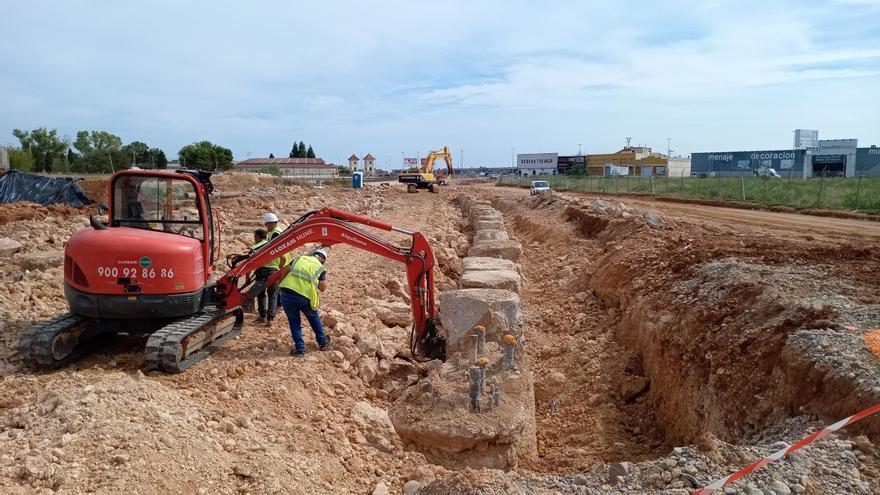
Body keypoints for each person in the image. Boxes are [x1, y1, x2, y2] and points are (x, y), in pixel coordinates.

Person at [279, 247, 330, 356]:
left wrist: (282, 285)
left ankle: (300, 349)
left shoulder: (299, 258)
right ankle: (323, 342)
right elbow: (323, 287)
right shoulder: (320, 267)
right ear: (323, 260)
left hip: (287, 293)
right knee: (313, 317)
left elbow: (284, 271)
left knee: (294, 321)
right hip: (304, 297)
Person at [249, 228, 281, 325]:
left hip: (261, 272)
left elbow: (249, 263)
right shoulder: (273, 245)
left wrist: (247, 278)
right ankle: (270, 319)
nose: (254, 238)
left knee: (261, 294)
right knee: (273, 295)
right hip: (274, 271)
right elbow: (283, 258)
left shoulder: (254, 248)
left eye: (255, 236)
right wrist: (278, 267)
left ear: (258, 237)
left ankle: (262, 316)